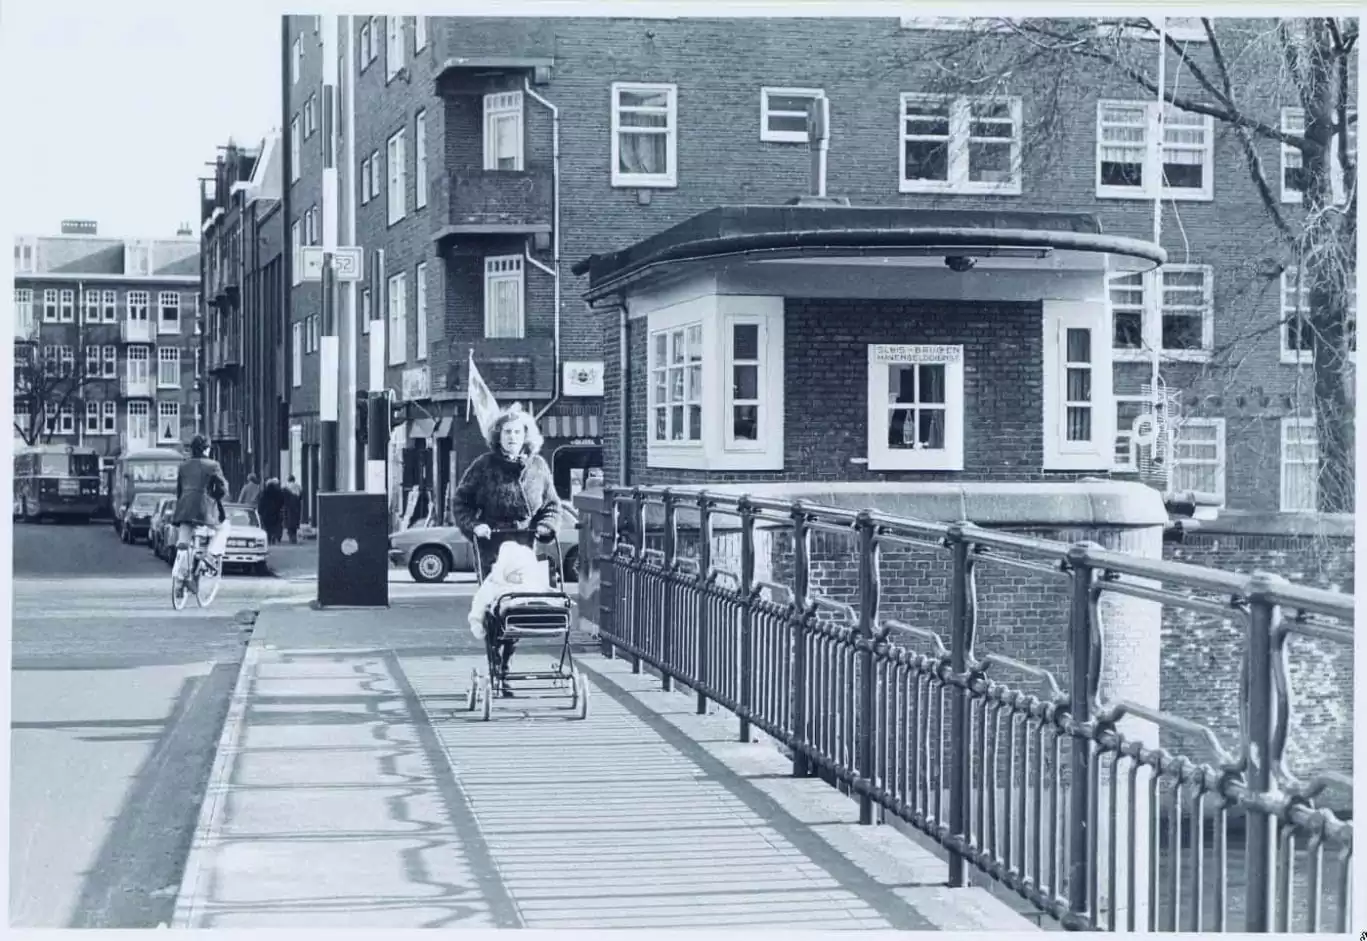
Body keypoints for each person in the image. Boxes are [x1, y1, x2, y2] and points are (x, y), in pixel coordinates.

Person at [452, 406, 561, 693]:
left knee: (518, 607)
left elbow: (551, 505)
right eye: (506, 432)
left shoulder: (538, 467)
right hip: (492, 546)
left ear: (526, 435)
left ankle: (507, 661)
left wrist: (547, 526)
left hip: (524, 546)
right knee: (495, 607)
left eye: (517, 432)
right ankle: (494, 664)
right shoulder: (483, 466)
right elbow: (461, 502)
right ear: (497, 436)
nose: (512, 437)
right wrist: (475, 526)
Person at [172, 434, 230, 578]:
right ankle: (210, 555)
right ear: (206, 449)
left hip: (184, 509)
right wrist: (215, 498)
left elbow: (179, 491)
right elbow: (223, 488)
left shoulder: (183, 466)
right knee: (224, 527)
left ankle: (180, 579)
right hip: (204, 510)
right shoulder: (212, 465)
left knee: (183, 544)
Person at [258, 477, 284, 545]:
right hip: (275, 512)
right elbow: (281, 501)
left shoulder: (265, 492)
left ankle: (269, 537)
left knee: (267, 526)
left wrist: (260, 510)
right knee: (274, 525)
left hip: (266, 513)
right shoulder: (278, 492)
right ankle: (273, 536)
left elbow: (261, 502)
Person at [283, 475, 303, 544]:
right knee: (295, 522)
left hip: (288, 507)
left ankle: (291, 537)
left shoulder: (286, 487)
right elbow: (301, 496)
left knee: (289, 522)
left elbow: (284, 498)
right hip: (297, 507)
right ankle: (294, 537)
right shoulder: (298, 486)